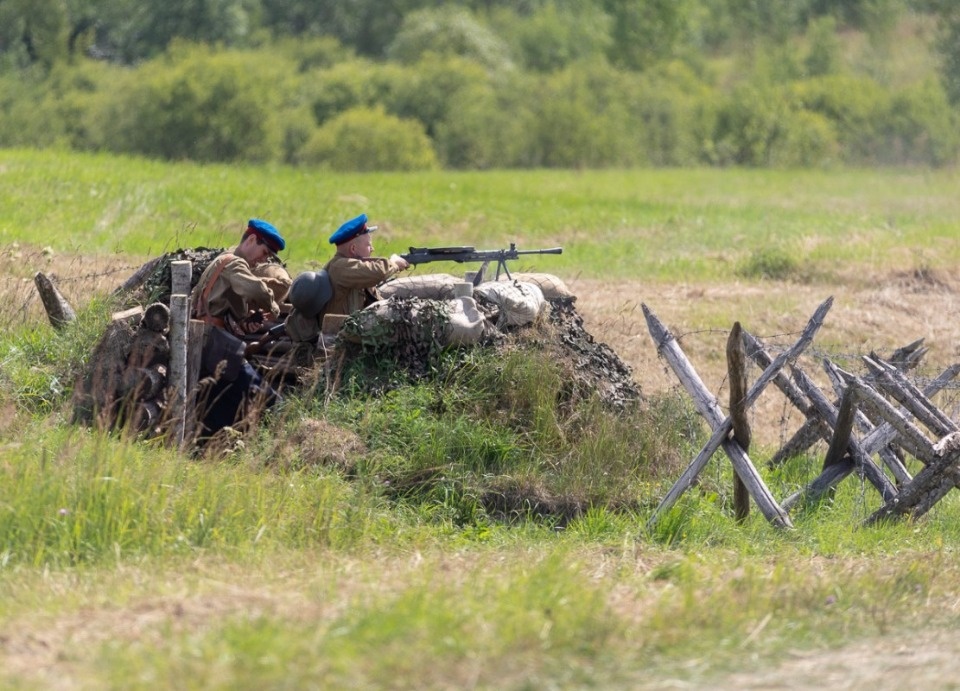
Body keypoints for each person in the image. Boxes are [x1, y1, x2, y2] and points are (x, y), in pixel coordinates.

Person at [190, 218, 287, 438]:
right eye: (264, 253)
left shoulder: (222, 261)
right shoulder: (235, 263)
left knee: (218, 407)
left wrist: (244, 322)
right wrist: (273, 305)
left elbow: (218, 309)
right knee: (268, 399)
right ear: (251, 240)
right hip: (218, 347)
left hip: (210, 343)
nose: (264, 260)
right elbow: (256, 291)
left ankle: (210, 450)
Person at [323, 213, 410, 317]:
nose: (372, 249)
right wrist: (393, 263)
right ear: (353, 249)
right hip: (338, 331)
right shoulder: (340, 266)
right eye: (369, 245)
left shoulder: (356, 269)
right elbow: (379, 272)